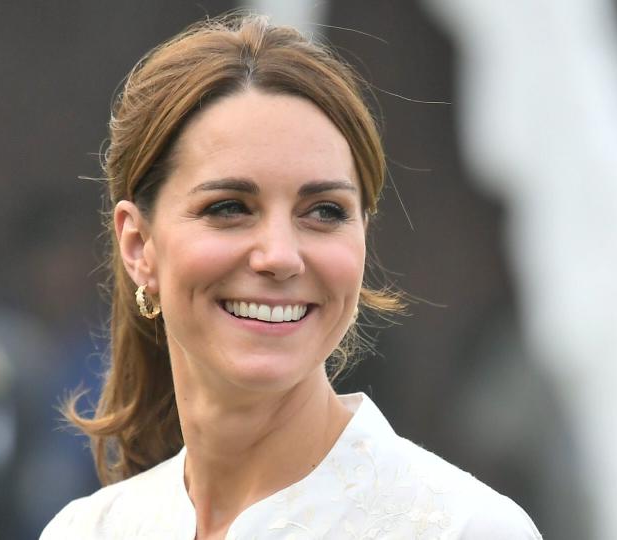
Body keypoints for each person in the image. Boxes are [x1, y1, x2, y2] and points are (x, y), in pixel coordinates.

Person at [41, 13, 541, 539]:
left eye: (324, 211)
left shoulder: (466, 529)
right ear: (139, 245)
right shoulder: (86, 531)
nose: (280, 256)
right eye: (230, 207)